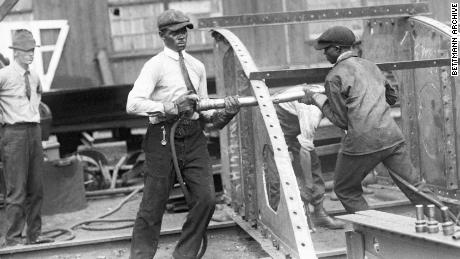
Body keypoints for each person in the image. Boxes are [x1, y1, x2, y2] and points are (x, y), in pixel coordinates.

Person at [126, 9, 239, 259]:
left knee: (207, 199)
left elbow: (206, 111)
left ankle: (184, 255)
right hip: (163, 137)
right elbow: (132, 103)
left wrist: (228, 111)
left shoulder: (196, 66)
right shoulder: (154, 66)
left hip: (193, 136)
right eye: (174, 32)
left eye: (184, 31)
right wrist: (169, 107)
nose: (181, 37)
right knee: (153, 205)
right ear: (162, 35)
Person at [301, 26, 440, 213]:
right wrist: (372, 105)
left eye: (326, 50)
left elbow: (342, 121)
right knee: (415, 187)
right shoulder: (370, 65)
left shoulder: (333, 77)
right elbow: (392, 97)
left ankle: (372, 237)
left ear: (338, 49)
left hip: (362, 141)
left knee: (345, 189)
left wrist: (318, 99)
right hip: (391, 136)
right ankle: (452, 225)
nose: (324, 54)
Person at [0, 29, 53, 246]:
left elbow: (38, 95)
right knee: (16, 191)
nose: (30, 54)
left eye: (32, 50)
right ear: (15, 53)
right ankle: (12, 239)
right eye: (25, 51)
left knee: (36, 188)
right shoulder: (3, 75)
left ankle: (34, 235)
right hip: (13, 134)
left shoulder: (34, 76)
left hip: (34, 132)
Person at [274, 86, 344, 229]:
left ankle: (319, 213)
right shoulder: (312, 113)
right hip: (281, 118)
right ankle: (284, 219)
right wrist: (308, 184)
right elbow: (305, 152)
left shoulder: (331, 99)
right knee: (280, 167)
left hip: (296, 114)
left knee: (313, 163)